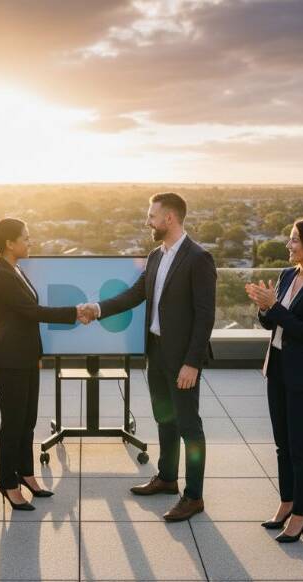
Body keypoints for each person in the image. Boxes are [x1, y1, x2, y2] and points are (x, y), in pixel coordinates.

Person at [78, 192, 216, 522]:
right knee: (164, 418)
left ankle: (193, 496)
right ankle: (167, 478)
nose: (148, 221)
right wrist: (97, 309)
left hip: (183, 359)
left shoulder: (198, 258)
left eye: (152, 216)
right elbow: (133, 295)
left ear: (169, 218)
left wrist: (192, 363)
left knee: (189, 427)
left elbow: (205, 315)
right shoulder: (155, 256)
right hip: (156, 352)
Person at [245, 218, 303, 543]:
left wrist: (274, 306)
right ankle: (287, 502)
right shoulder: (287, 276)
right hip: (278, 368)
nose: (288, 246)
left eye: (295, 240)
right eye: (289, 239)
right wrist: (263, 307)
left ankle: (302, 513)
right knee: (281, 444)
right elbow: (271, 324)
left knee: (300, 446)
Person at [0, 218, 82, 511]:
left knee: (27, 420)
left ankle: (26, 474)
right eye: (26, 238)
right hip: (9, 359)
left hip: (25, 357)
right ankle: (8, 484)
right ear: (9, 243)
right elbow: (33, 312)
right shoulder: (2, 275)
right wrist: (76, 312)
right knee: (12, 423)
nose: (30, 242)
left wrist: (37, 356)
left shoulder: (16, 270)